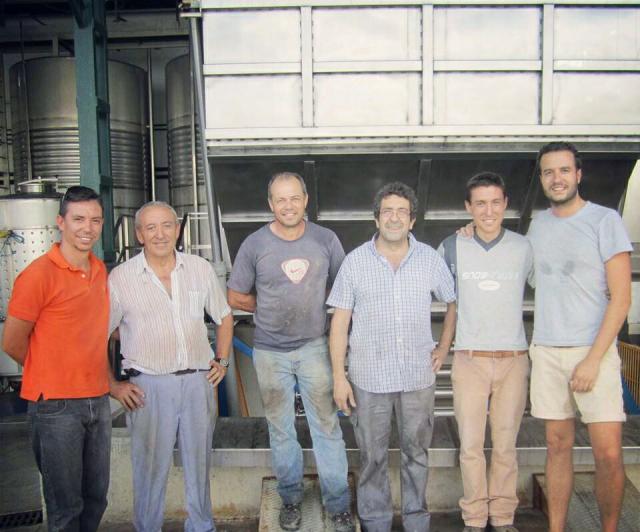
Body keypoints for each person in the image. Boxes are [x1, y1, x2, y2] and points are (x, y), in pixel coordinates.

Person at [227, 171, 354, 532]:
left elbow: (345, 287)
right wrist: (266, 305)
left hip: (315, 347)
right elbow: (234, 295)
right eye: (280, 199)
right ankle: (291, 499)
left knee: (326, 427)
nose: (288, 205)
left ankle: (338, 504)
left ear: (306, 200)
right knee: (281, 430)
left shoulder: (326, 239)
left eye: (294, 198)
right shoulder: (254, 244)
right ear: (270, 204)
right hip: (270, 352)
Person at [328, 181, 456, 532]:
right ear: (376, 218)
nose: (395, 218)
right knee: (372, 458)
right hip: (369, 379)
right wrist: (339, 376)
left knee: (417, 454)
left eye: (402, 212)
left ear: (412, 220)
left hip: (417, 378)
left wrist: (443, 347)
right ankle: (376, 522)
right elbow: (339, 323)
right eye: (388, 211)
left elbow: (452, 302)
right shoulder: (355, 262)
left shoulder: (429, 259)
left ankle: (416, 521)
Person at [108, 201, 233, 532]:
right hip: (148, 387)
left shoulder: (199, 268)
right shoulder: (121, 278)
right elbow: (101, 334)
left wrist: (222, 361)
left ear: (177, 230)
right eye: (151, 228)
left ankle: (201, 526)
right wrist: (113, 385)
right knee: (149, 468)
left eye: (166, 225)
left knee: (199, 463)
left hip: (197, 382)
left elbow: (224, 317)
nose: (160, 234)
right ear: (139, 235)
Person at [527, 141, 632, 532]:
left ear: (578, 174)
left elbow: (621, 298)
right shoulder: (538, 226)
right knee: (557, 447)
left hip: (594, 352)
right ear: (541, 178)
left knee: (608, 453)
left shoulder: (604, 220)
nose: (557, 178)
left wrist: (592, 359)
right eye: (549, 172)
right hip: (547, 351)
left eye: (564, 170)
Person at [2, 186, 111, 531]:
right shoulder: (38, 275)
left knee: (95, 499)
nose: (87, 228)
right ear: (60, 222)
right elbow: (12, 342)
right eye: (78, 219)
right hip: (56, 406)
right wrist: (49, 371)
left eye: (95, 220)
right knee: (66, 508)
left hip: (97, 400)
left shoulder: (99, 270)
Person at [438, 173, 532, 532]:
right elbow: (440, 296)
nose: (488, 211)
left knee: (506, 445)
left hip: (513, 359)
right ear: (468, 207)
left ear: (506, 204)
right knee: (471, 446)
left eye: (495, 202)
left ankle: (504, 517)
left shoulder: (524, 247)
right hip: (470, 358)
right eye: (480, 203)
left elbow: (551, 285)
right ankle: (475, 519)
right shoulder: (451, 246)